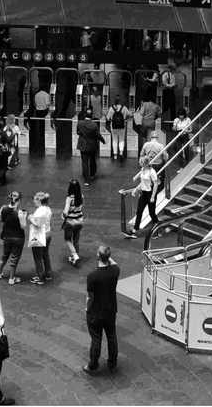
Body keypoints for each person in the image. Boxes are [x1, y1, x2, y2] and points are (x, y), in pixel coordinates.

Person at [83, 244, 121, 375]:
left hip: (96, 313)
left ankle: (92, 365)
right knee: (111, 336)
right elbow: (113, 263)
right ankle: (113, 363)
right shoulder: (115, 271)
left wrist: (87, 308)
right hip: (110, 311)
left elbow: (90, 297)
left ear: (98, 255)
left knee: (96, 339)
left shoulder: (92, 275)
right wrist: (107, 256)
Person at [0, 190, 27, 285]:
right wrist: (24, 217)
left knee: (5, 254)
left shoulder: (3, 208)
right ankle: (11, 278)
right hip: (18, 238)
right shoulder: (20, 212)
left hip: (7, 236)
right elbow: (23, 226)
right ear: (19, 200)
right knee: (15, 257)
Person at [122, 158, 158, 239]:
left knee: (152, 213)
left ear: (145, 163)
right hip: (143, 193)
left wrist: (152, 196)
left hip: (150, 193)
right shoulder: (142, 169)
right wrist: (136, 189)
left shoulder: (151, 171)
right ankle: (135, 229)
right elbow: (142, 182)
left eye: (140, 161)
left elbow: (156, 184)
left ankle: (158, 229)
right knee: (139, 211)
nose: (139, 162)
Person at [27, 191, 53, 284]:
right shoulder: (48, 209)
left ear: (39, 201)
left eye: (35, 199)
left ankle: (39, 276)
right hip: (48, 233)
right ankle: (48, 273)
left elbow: (38, 224)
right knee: (45, 255)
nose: (33, 201)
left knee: (38, 256)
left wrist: (30, 218)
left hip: (40, 236)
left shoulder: (39, 212)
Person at [77, 108, 104, 184]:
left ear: (85, 115)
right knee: (92, 160)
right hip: (92, 145)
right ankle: (92, 174)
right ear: (92, 116)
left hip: (82, 145)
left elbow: (78, 132)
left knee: (84, 162)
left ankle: (86, 180)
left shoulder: (80, 123)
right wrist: (103, 140)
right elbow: (98, 135)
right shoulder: (94, 125)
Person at [61, 180, 85, 267]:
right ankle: (74, 256)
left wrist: (63, 213)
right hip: (79, 221)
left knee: (67, 239)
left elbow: (66, 212)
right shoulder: (81, 196)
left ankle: (75, 255)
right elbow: (81, 209)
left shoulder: (69, 199)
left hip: (70, 222)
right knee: (76, 239)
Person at [0, 120, 16, 187]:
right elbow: (9, 141)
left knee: (1, 166)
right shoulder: (3, 133)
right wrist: (13, 134)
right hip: (4, 151)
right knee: (5, 166)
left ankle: (2, 181)